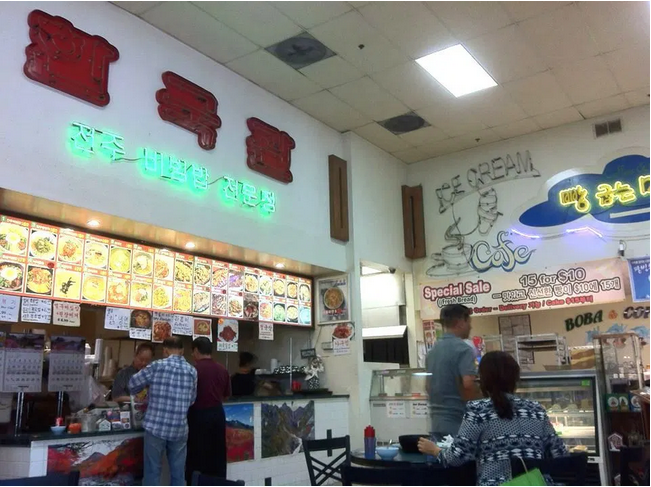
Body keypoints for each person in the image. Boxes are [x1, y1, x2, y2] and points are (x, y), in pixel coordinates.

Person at [418, 351, 568, 486]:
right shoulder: (536, 409)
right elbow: (560, 454)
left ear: (483, 381)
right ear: (515, 380)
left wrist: (435, 450)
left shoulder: (478, 410)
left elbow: (456, 458)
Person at [129, 337, 197, 486]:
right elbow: (192, 400)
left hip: (156, 427)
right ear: (182, 351)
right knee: (178, 473)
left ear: (165, 350)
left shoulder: (156, 366)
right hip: (179, 429)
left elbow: (132, 384)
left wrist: (145, 390)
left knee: (152, 472)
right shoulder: (192, 371)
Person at [425, 304, 480, 436]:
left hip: (436, 423)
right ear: (461, 322)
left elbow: (427, 386)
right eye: (469, 322)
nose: (470, 327)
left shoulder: (432, 351)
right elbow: (468, 385)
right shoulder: (464, 350)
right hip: (458, 423)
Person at [186, 337, 231, 484]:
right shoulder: (222, 369)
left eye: (192, 351)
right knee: (217, 455)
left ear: (196, 350)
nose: (192, 355)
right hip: (217, 414)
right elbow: (226, 395)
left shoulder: (193, 370)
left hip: (198, 415)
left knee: (197, 455)